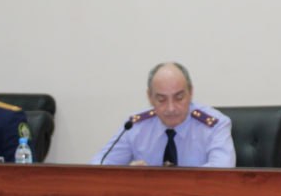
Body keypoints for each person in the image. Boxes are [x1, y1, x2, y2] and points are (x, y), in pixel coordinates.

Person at [92, 62, 235, 167]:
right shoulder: (135, 126)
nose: (171, 108)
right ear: (150, 97)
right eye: (161, 99)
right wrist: (128, 176)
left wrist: (153, 181)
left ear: (190, 92)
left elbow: (221, 174)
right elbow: (98, 166)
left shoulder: (215, 125)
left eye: (179, 98)